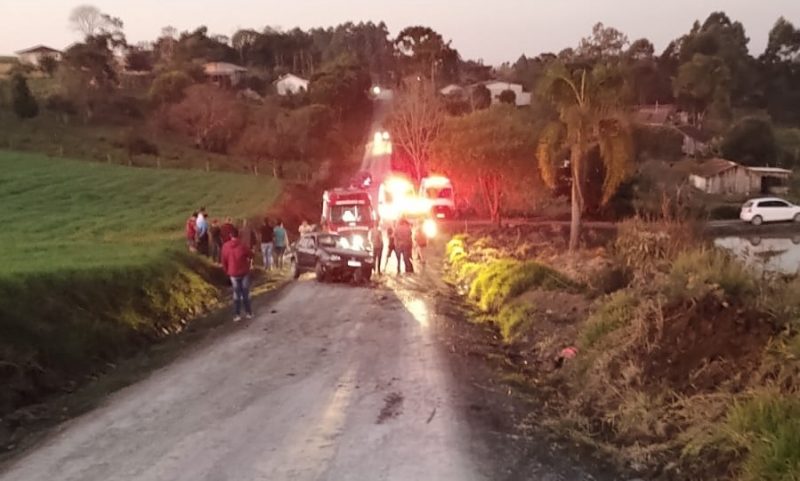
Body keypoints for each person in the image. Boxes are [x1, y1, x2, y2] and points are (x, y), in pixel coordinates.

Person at [221, 228, 253, 322]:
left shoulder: (225, 246)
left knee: (236, 293)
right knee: (245, 293)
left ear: (230, 236)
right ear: (238, 235)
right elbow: (251, 255)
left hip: (232, 273)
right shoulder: (243, 245)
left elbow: (223, 260)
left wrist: (227, 271)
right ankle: (248, 313)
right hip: (244, 272)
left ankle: (237, 315)